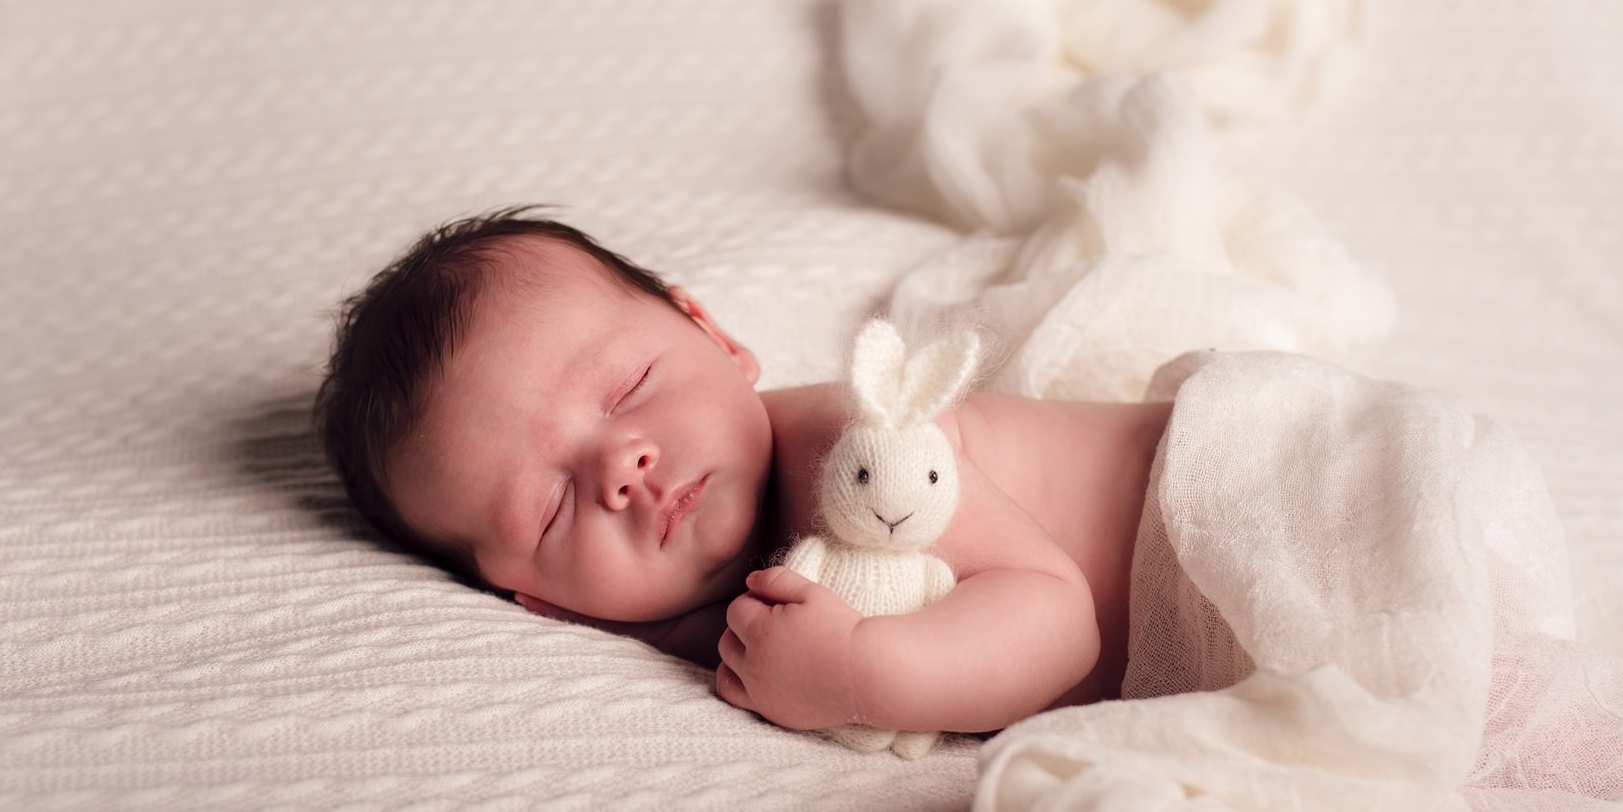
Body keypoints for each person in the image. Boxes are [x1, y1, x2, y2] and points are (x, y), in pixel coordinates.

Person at [314, 206, 1173, 737]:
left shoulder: (847, 447)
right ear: (535, 602)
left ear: (717, 337)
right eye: (549, 509)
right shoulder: (664, 628)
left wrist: (859, 674)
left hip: (1218, 496)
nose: (624, 465)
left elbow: (1060, 622)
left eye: (628, 388)